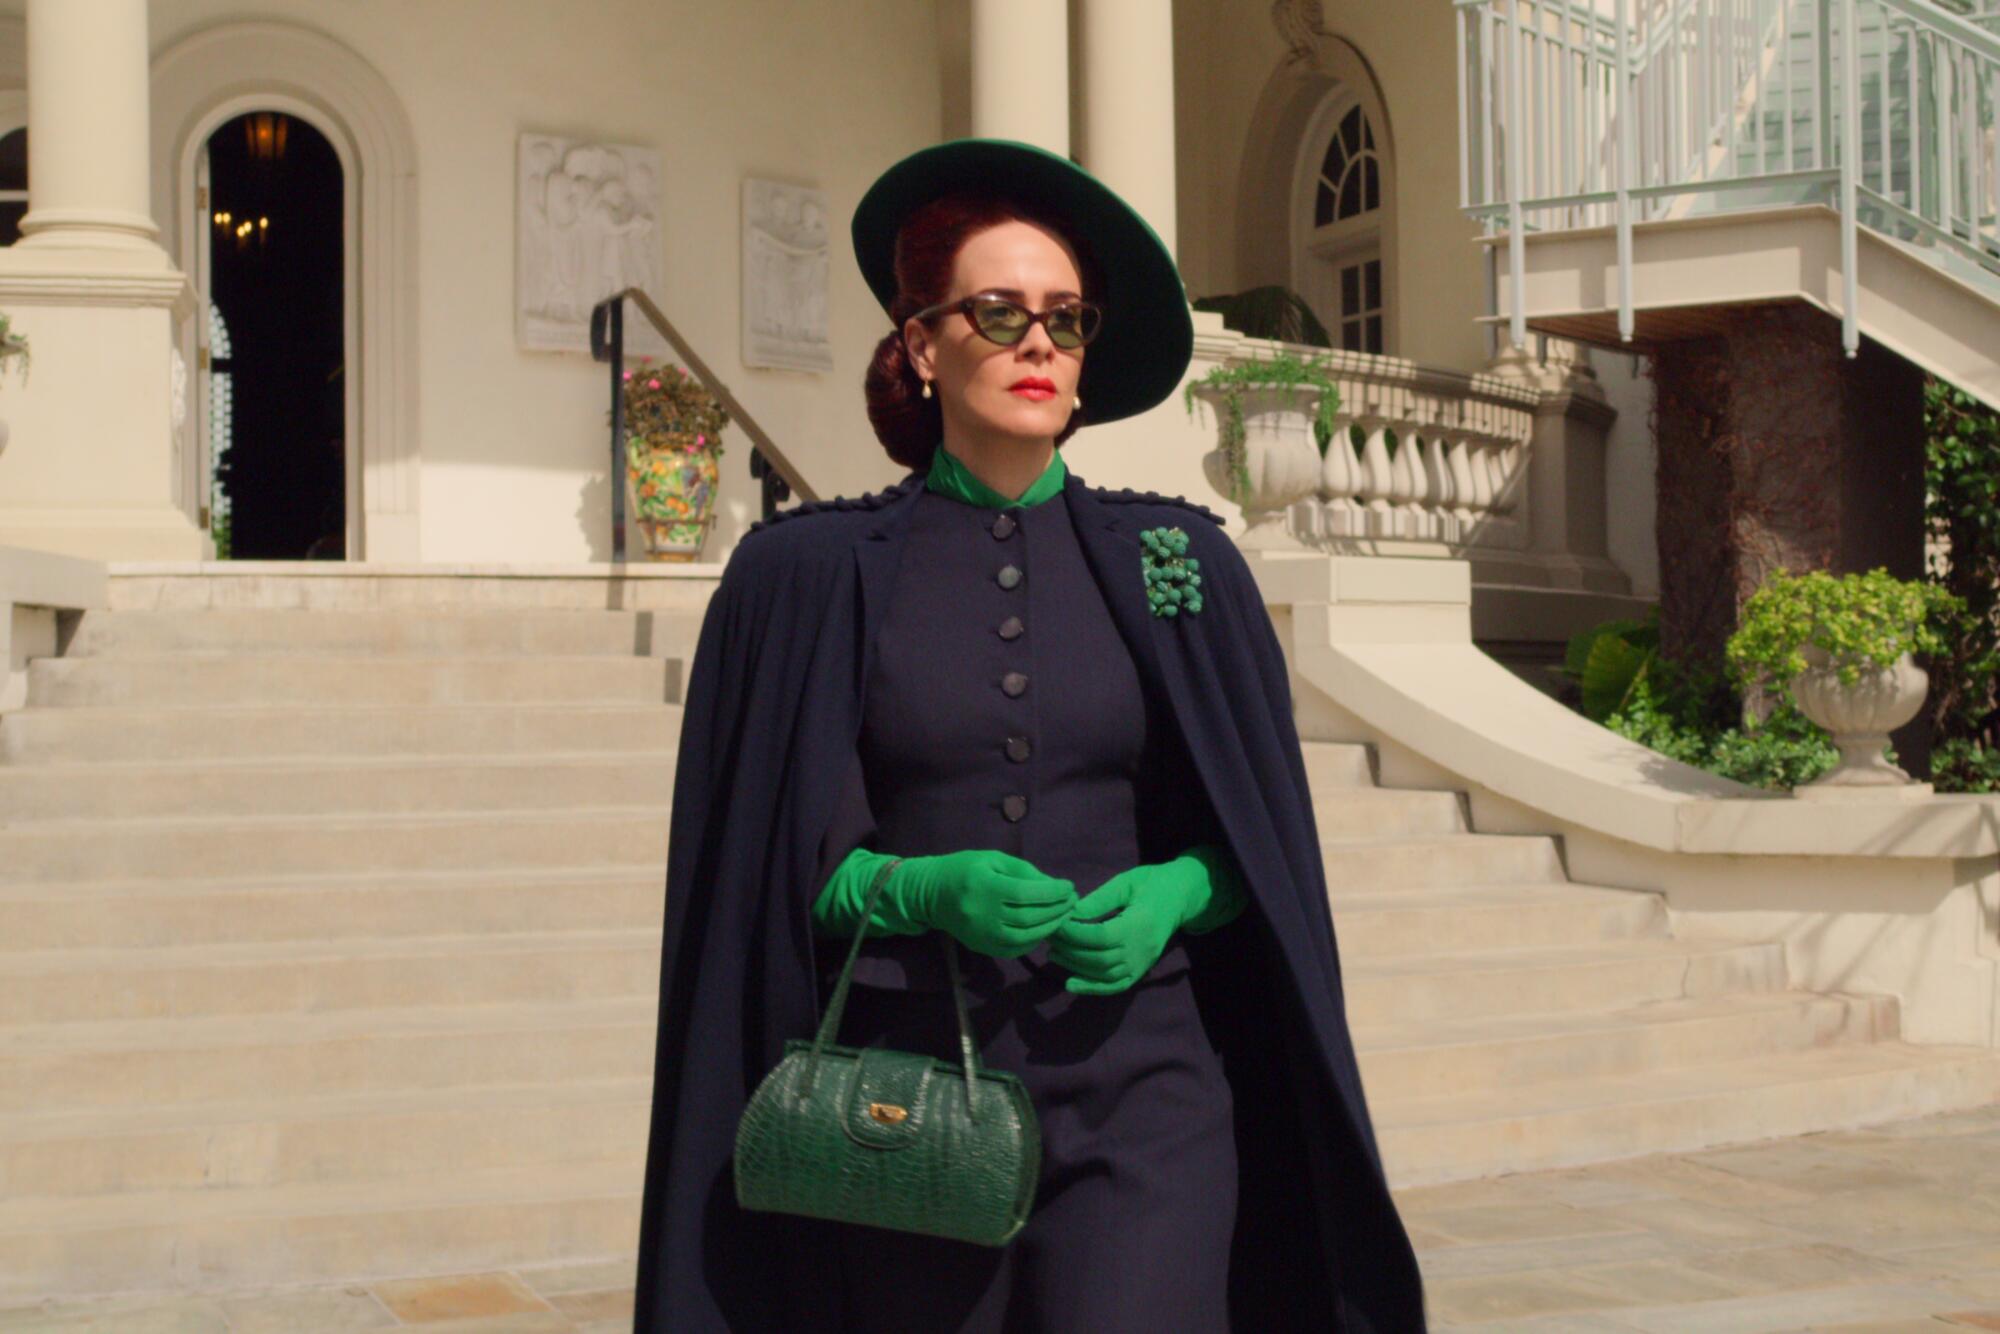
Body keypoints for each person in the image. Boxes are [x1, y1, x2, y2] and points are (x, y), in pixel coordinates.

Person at [632, 137, 1427, 1333]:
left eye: (1065, 317)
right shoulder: (804, 576)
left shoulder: (1181, 565)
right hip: (905, 1108)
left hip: (1147, 1095)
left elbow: (1253, 845)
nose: (1039, 342)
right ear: (920, 342)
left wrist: (1179, 889)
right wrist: (914, 886)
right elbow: (761, 873)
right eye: (998, 313)